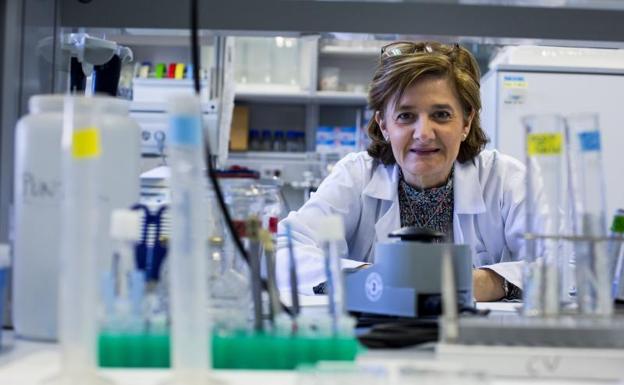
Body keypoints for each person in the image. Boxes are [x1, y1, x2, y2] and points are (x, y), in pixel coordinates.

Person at [276, 41, 528, 302]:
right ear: (383, 124)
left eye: (441, 114)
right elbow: (285, 250)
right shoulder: (356, 176)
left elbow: (565, 260)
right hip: (378, 336)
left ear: (466, 122)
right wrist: (375, 278)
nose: (424, 134)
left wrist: (487, 282)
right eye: (406, 116)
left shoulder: (504, 178)